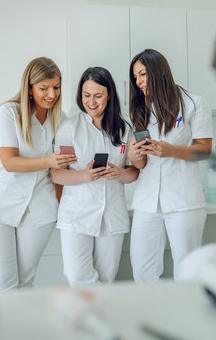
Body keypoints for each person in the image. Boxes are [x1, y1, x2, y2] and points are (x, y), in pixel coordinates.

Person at [0, 57, 76, 291]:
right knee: (5, 283)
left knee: (25, 279)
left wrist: (61, 203)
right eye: (44, 88)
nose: (52, 94)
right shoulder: (9, 113)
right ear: (29, 88)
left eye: (56, 87)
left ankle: (22, 328)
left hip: (40, 207)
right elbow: (9, 162)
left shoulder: (62, 121)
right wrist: (49, 160)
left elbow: (64, 166)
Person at [127, 48, 213, 282]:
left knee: (187, 271)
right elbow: (140, 164)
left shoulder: (194, 104)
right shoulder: (140, 109)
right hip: (147, 202)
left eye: (143, 74)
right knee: (142, 272)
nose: (139, 82)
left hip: (183, 201)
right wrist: (135, 155)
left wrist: (171, 150)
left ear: (160, 71)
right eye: (135, 77)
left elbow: (205, 150)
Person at [51, 67, 138, 286]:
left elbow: (133, 173)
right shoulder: (70, 128)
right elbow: (58, 174)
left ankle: (92, 316)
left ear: (109, 95)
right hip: (76, 215)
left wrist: (119, 173)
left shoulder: (124, 130)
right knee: (77, 276)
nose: (92, 102)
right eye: (86, 95)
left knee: (106, 279)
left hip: (112, 216)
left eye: (98, 96)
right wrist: (84, 175)